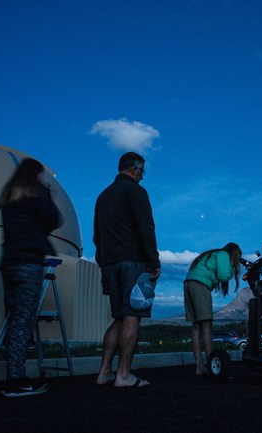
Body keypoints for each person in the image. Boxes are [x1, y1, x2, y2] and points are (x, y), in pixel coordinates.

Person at [94, 152, 160, 388]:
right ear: (134, 170)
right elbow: (146, 227)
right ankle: (123, 375)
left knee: (119, 317)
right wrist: (154, 261)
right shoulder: (136, 191)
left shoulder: (103, 196)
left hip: (110, 263)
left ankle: (104, 372)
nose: (142, 177)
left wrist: (104, 264)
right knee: (133, 315)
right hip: (133, 261)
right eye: (142, 173)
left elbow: (97, 237)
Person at [0, 158, 61, 397]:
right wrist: (47, 193)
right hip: (28, 263)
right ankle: (15, 381)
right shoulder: (35, 198)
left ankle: (14, 376)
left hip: (10, 263)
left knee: (16, 321)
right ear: (35, 176)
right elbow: (54, 220)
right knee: (23, 322)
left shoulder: (10, 200)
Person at [184, 242, 242, 376]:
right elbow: (223, 276)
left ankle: (199, 366)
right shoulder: (223, 254)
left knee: (196, 326)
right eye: (238, 256)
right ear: (234, 252)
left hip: (189, 282)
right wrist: (233, 268)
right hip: (200, 284)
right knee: (206, 325)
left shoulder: (213, 254)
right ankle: (212, 366)